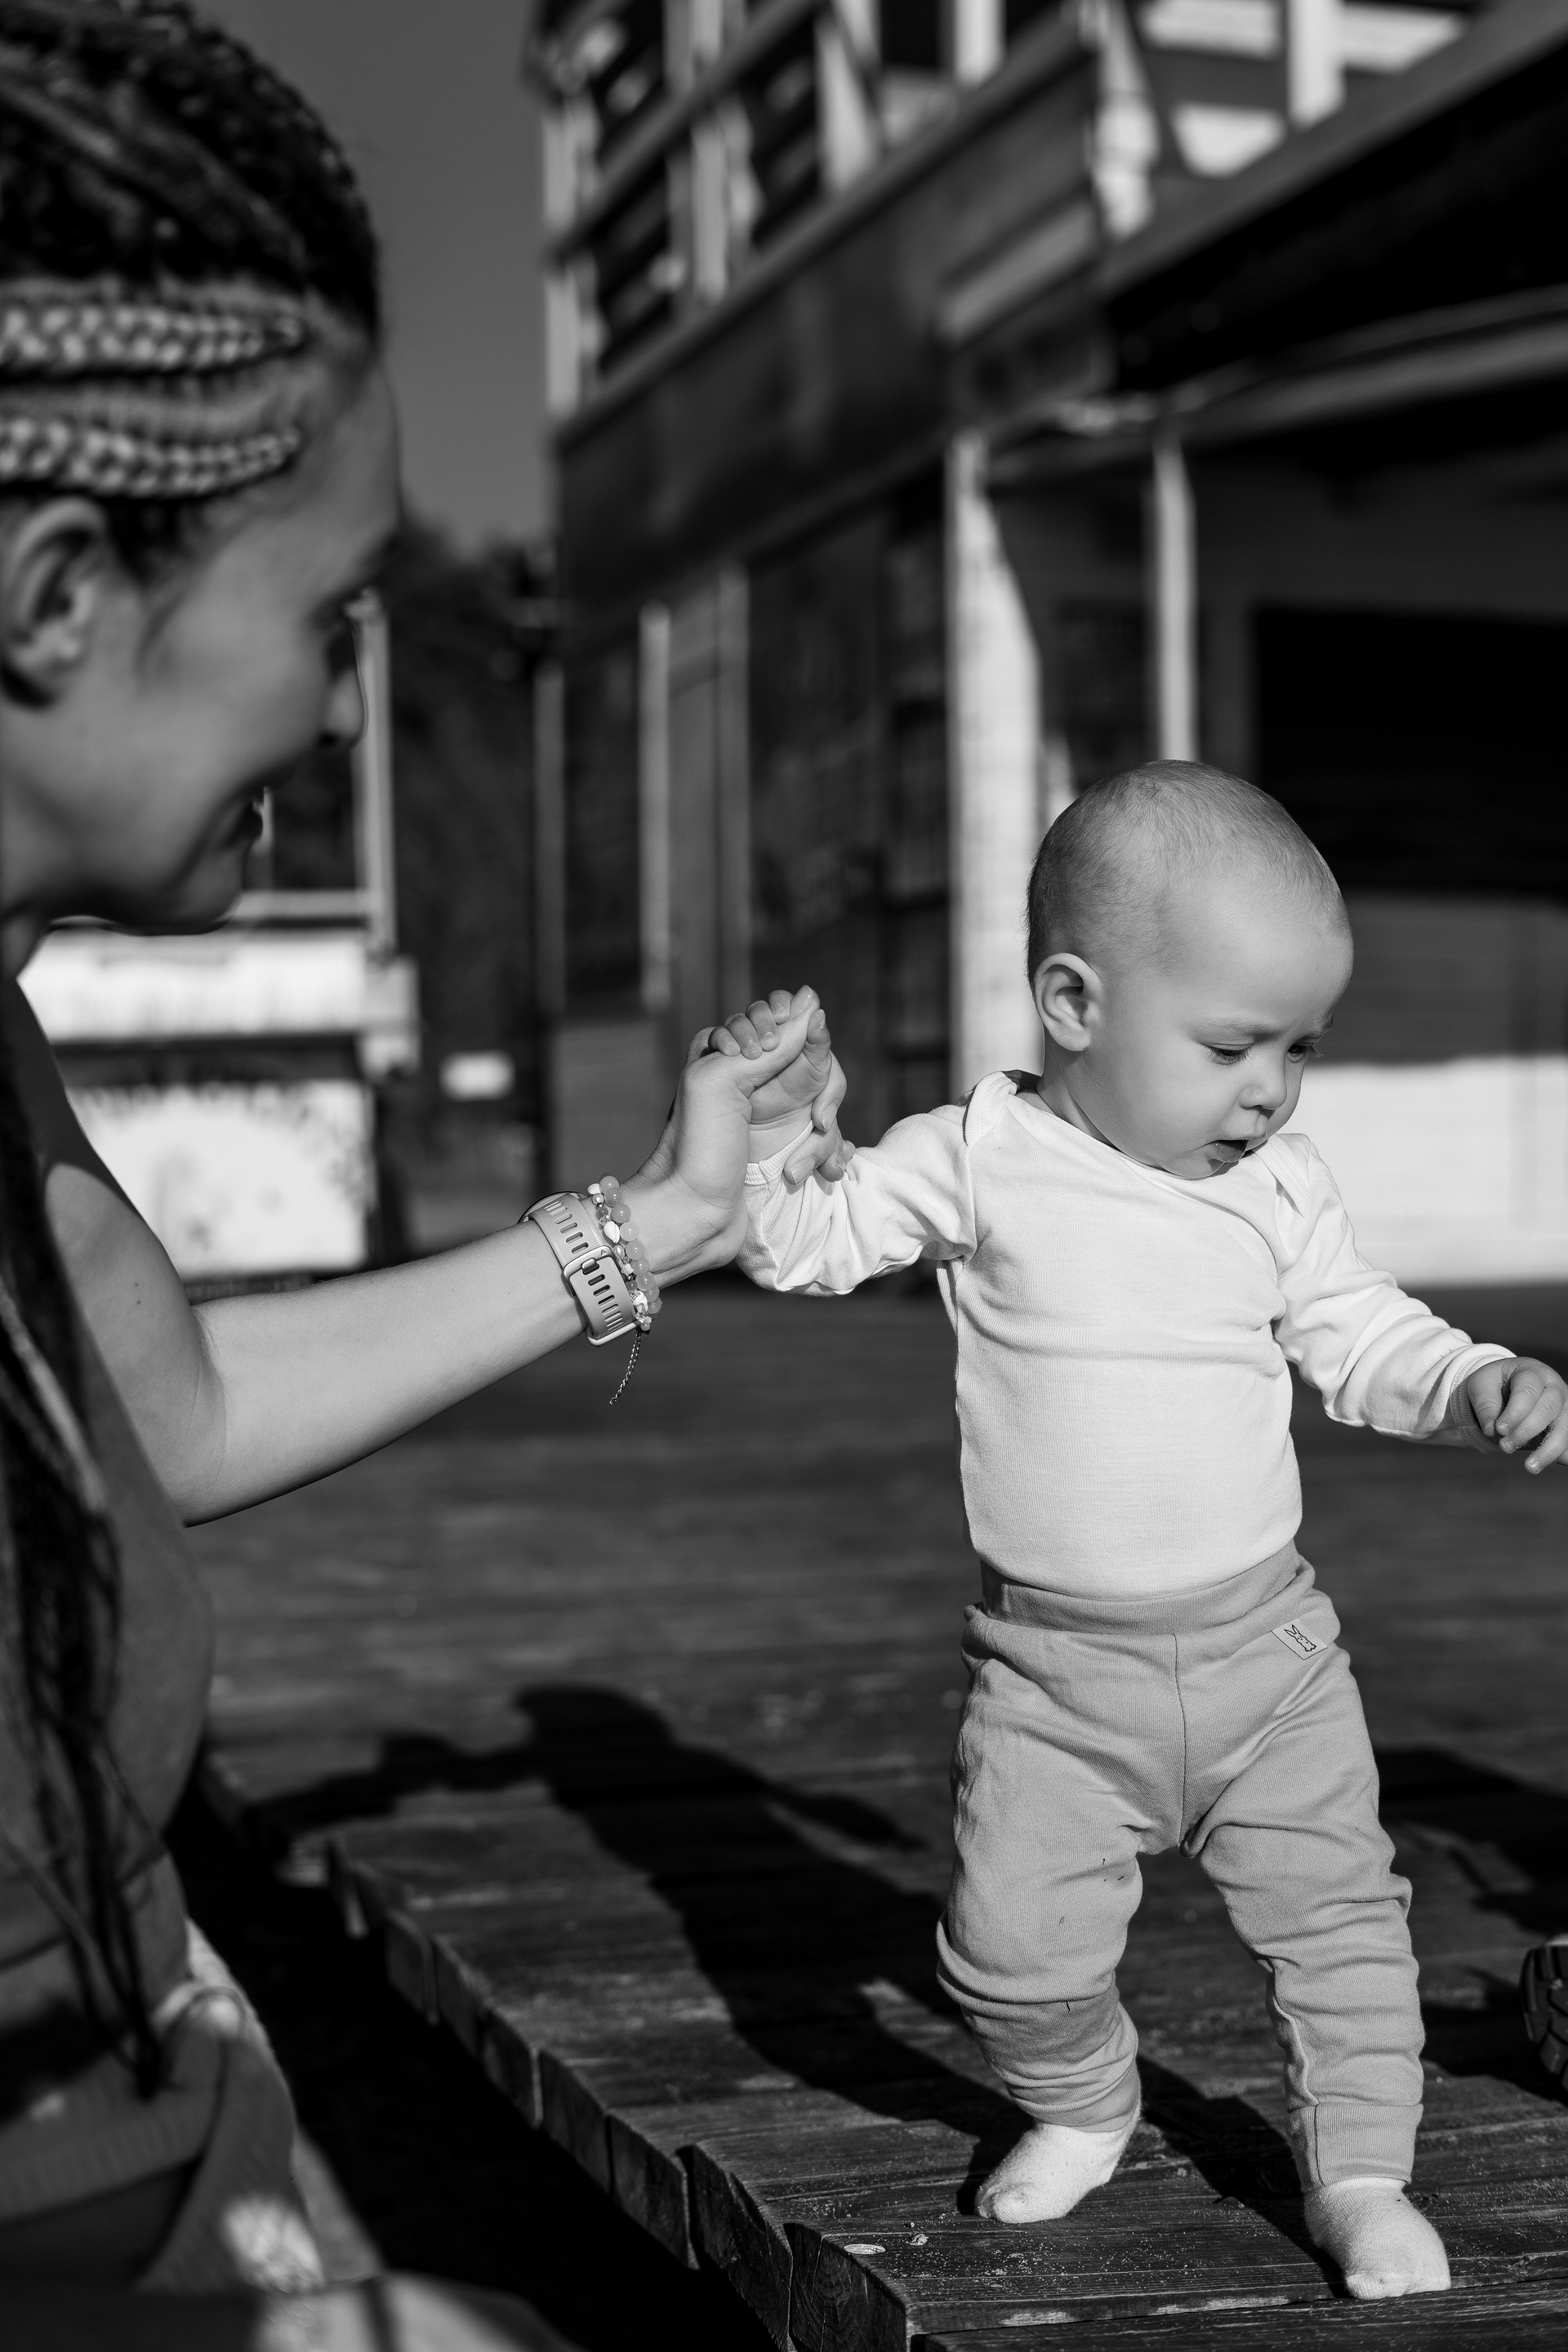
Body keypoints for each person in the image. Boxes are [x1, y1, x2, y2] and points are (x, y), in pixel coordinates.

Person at [0, 0, 844, 2296]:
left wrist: (658, 1220)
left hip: (184, 2142)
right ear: (56, 596)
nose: (355, 695)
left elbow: (167, 1418)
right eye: (329, 609)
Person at [710, 761, 1568, 2303]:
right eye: (1233, 1046)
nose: (1271, 1091)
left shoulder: (1279, 1188)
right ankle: (1083, 2103)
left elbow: (1361, 1332)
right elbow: (807, 1245)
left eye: (1301, 1049)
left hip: (1269, 1664)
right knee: (1003, 1952)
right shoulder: (982, 1155)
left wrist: (1470, 1380)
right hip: (1054, 1679)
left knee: (1345, 1936)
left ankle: (1360, 2177)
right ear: (1074, 1003)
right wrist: (778, 1136)